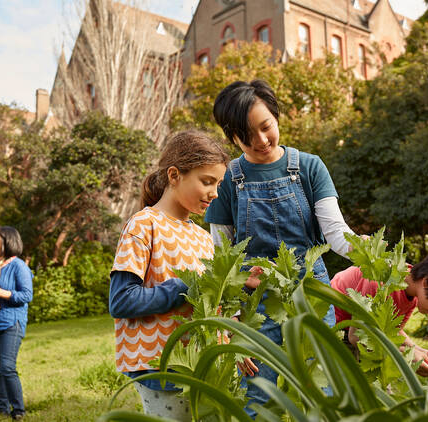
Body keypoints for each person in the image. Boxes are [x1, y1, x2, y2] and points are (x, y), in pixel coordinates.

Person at [204, 79, 360, 417]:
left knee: (325, 387)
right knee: (259, 394)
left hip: (311, 294)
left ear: (276, 116)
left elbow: (335, 232)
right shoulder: (228, 177)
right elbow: (222, 256)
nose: (260, 141)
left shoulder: (309, 166)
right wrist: (230, 321)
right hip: (255, 300)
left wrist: (374, 256)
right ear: (232, 137)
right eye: (247, 135)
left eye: (266, 127)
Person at [109, 130, 233, 421]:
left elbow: (209, 304)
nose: (215, 193)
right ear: (175, 175)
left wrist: (228, 340)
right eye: (207, 181)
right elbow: (121, 300)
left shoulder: (203, 239)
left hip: (204, 363)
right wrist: (185, 286)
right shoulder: (144, 225)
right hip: (161, 367)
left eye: (219, 184)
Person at [332, 248, 428, 376]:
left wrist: (418, 350)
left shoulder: (411, 293)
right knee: (358, 386)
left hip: (354, 331)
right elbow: (357, 336)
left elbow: (393, 331)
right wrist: (406, 355)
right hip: (333, 326)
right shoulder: (382, 279)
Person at [0, 226, 33, 420]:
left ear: (6, 241)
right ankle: (2, 409)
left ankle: (18, 411)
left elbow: (27, 295)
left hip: (12, 321)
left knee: (7, 367)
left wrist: (1, 293)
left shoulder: (19, 266)